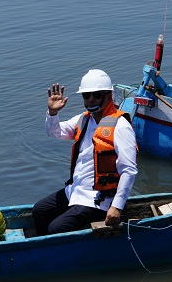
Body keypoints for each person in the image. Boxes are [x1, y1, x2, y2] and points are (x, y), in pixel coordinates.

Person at [32, 70, 138, 236]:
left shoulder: (120, 126)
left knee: (56, 229)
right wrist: (53, 113)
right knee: (39, 210)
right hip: (76, 191)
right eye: (86, 95)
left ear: (108, 95)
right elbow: (55, 132)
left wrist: (116, 206)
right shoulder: (84, 119)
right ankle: (40, 251)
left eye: (96, 95)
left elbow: (129, 170)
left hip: (99, 199)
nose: (90, 100)